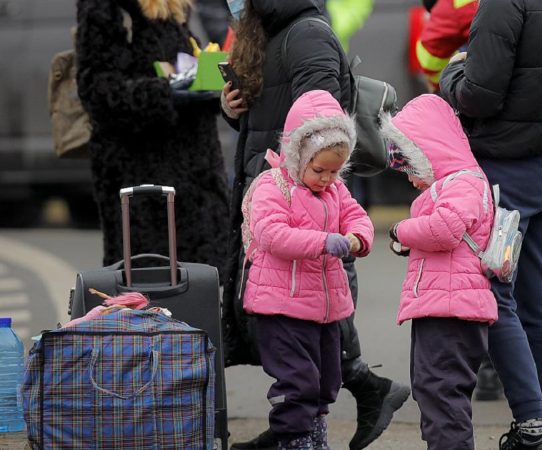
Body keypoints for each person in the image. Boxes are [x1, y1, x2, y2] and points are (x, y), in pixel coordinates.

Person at [219, 1, 409, 449]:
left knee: (309, 317)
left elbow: (321, 124)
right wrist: (232, 108)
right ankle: (312, 420)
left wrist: (298, 183)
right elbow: (272, 117)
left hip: (299, 196)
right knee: (293, 322)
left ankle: (304, 427)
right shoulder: (268, 33)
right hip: (277, 186)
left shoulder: (305, 34)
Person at [439, 0, 542, 446]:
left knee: (495, 297)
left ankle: (532, 428)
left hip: (509, 169)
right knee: (538, 301)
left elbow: (479, 95)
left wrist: (453, 74)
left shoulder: (502, 4)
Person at [240, 89, 374, 450]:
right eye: (319, 170)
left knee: (326, 379)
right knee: (297, 382)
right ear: (298, 155)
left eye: (335, 171)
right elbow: (271, 234)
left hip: (324, 309)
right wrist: (323, 241)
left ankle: (314, 433)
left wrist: (359, 236)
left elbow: (357, 216)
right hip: (282, 306)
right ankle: (294, 439)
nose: (327, 179)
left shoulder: (335, 190)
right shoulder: (273, 185)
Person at [76, 0, 229, 272]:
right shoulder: (107, 8)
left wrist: (207, 86)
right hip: (144, 188)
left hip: (196, 180)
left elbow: (181, 62)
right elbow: (98, 90)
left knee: (198, 281)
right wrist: (165, 94)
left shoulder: (174, 6)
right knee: (148, 282)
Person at [381, 94, 498, 450]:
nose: (410, 178)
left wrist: (401, 230)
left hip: (452, 311)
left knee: (442, 392)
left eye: (411, 166)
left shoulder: (464, 182)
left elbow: (445, 229)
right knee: (431, 389)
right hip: (442, 306)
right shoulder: (455, 184)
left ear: (428, 151)